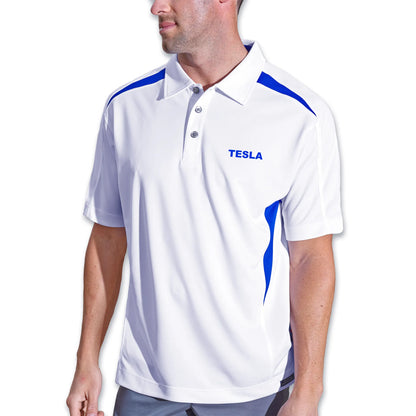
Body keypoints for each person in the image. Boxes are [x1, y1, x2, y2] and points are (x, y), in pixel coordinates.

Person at [66, 0, 343, 415]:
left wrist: (308, 390)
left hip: (253, 390)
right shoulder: (125, 108)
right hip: (145, 384)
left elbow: (310, 259)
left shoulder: (299, 115)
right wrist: (86, 361)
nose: (156, 7)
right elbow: (107, 239)